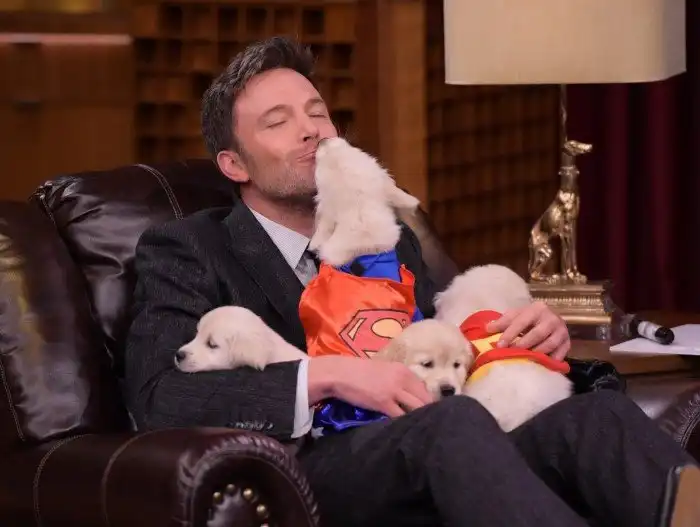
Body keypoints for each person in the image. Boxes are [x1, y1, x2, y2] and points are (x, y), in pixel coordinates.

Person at [123, 36, 700, 527]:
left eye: (317, 112)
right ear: (235, 165)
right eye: (278, 122)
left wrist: (524, 340)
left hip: (442, 444)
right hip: (318, 465)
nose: (311, 131)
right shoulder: (189, 248)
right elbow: (158, 397)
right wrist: (328, 376)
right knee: (451, 422)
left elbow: (447, 351)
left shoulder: (389, 238)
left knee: (592, 417)